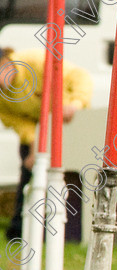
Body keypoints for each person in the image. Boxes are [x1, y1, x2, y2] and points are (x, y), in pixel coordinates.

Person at [0, 47, 93, 240]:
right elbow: (18, 122)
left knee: (71, 176)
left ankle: (73, 232)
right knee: (28, 173)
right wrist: (35, 148)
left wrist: (75, 104)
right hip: (37, 132)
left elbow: (80, 77)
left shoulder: (34, 61)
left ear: (7, 61)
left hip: (68, 124)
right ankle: (20, 230)